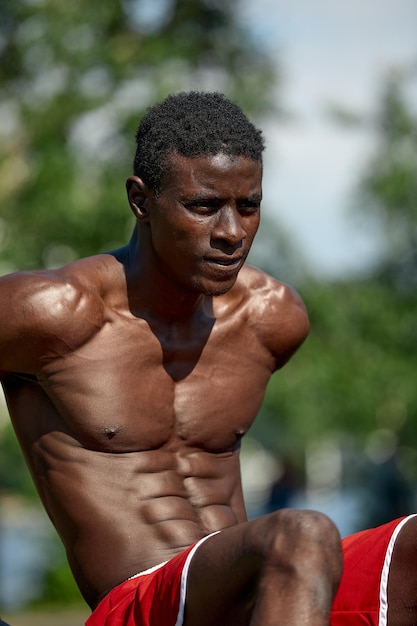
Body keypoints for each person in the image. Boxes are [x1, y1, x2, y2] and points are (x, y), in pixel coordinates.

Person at [0, 91, 414, 626]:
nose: (232, 233)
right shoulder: (50, 313)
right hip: (140, 604)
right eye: (203, 206)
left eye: (248, 206)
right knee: (302, 531)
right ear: (140, 200)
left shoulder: (272, 319)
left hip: (261, 590)